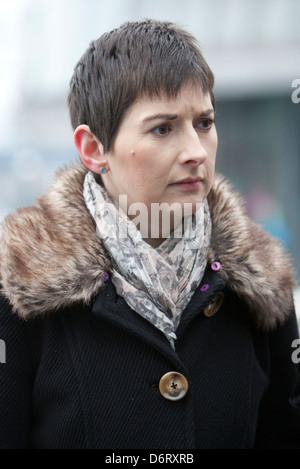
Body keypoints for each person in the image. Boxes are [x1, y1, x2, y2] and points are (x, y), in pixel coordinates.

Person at [0, 19, 299, 450]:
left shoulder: (261, 284)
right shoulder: (22, 290)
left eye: (204, 122)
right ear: (93, 149)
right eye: (163, 128)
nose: (196, 151)